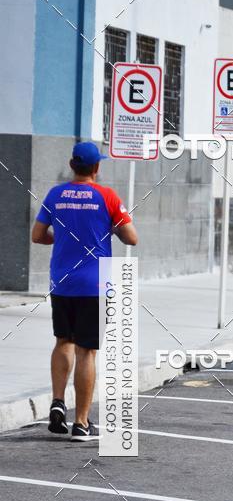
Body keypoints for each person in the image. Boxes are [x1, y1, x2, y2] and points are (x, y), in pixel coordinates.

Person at [31, 142, 138, 441]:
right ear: (96, 168)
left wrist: (63, 239)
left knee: (62, 341)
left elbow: (38, 235)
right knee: (86, 351)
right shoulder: (107, 196)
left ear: (71, 164)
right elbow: (132, 238)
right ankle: (81, 422)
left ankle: (57, 401)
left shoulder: (56, 195)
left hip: (62, 281)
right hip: (96, 284)